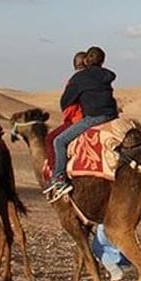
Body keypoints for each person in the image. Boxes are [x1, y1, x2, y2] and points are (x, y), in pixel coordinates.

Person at [44, 46, 118, 202]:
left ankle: (59, 179)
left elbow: (66, 101)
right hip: (112, 115)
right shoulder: (107, 75)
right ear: (103, 61)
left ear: (87, 60)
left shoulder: (79, 78)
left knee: (59, 141)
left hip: (94, 118)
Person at [44, 51, 87, 173]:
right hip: (100, 117)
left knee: (51, 140)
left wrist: (67, 119)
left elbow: (70, 107)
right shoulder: (97, 78)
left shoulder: (75, 81)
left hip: (78, 119)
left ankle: (56, 174)